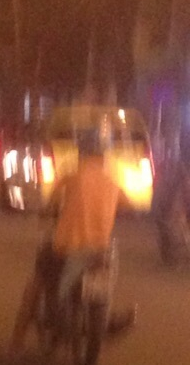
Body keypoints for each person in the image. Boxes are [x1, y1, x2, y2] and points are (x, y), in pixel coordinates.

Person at [9, 124, 133, 350]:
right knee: (105, 282)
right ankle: (105, 319)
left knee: (36, 283)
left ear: (81, 151)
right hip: (101, 251)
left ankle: (16, 342)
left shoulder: (72, 175)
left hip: (67, 248)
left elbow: (52, 204)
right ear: (105, 154)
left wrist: (46, 212)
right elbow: (128, 205)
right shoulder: (112, 181)